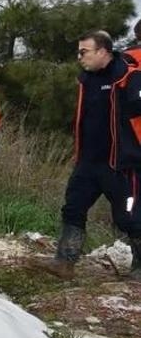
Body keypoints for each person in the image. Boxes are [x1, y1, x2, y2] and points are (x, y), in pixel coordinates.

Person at [34, 31, 141, 281]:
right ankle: (64, 261)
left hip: (120, 163)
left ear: (103, 51)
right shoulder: (86, 79)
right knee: (73, 207)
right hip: (88, 161)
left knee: (129, 217)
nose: (79, 57)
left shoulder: (129, 76)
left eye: (84, 52)